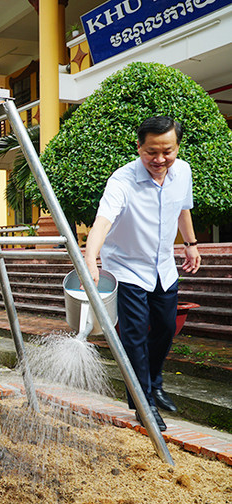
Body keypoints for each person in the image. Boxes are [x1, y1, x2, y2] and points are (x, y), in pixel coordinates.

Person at [85, 116, 201, 432]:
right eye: (152, 152)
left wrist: (190, 244)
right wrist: (91, 258)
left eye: (167, 151)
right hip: (126, 268)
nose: (160, 160)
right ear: (139, 147)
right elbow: (103, 222)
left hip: (163, 266)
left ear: (177, 148)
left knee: (165, 327)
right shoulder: (122, 181)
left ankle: (153, 382)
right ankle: (144, 402)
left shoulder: (183, 172)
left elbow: (182, 209)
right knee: (134, 335)